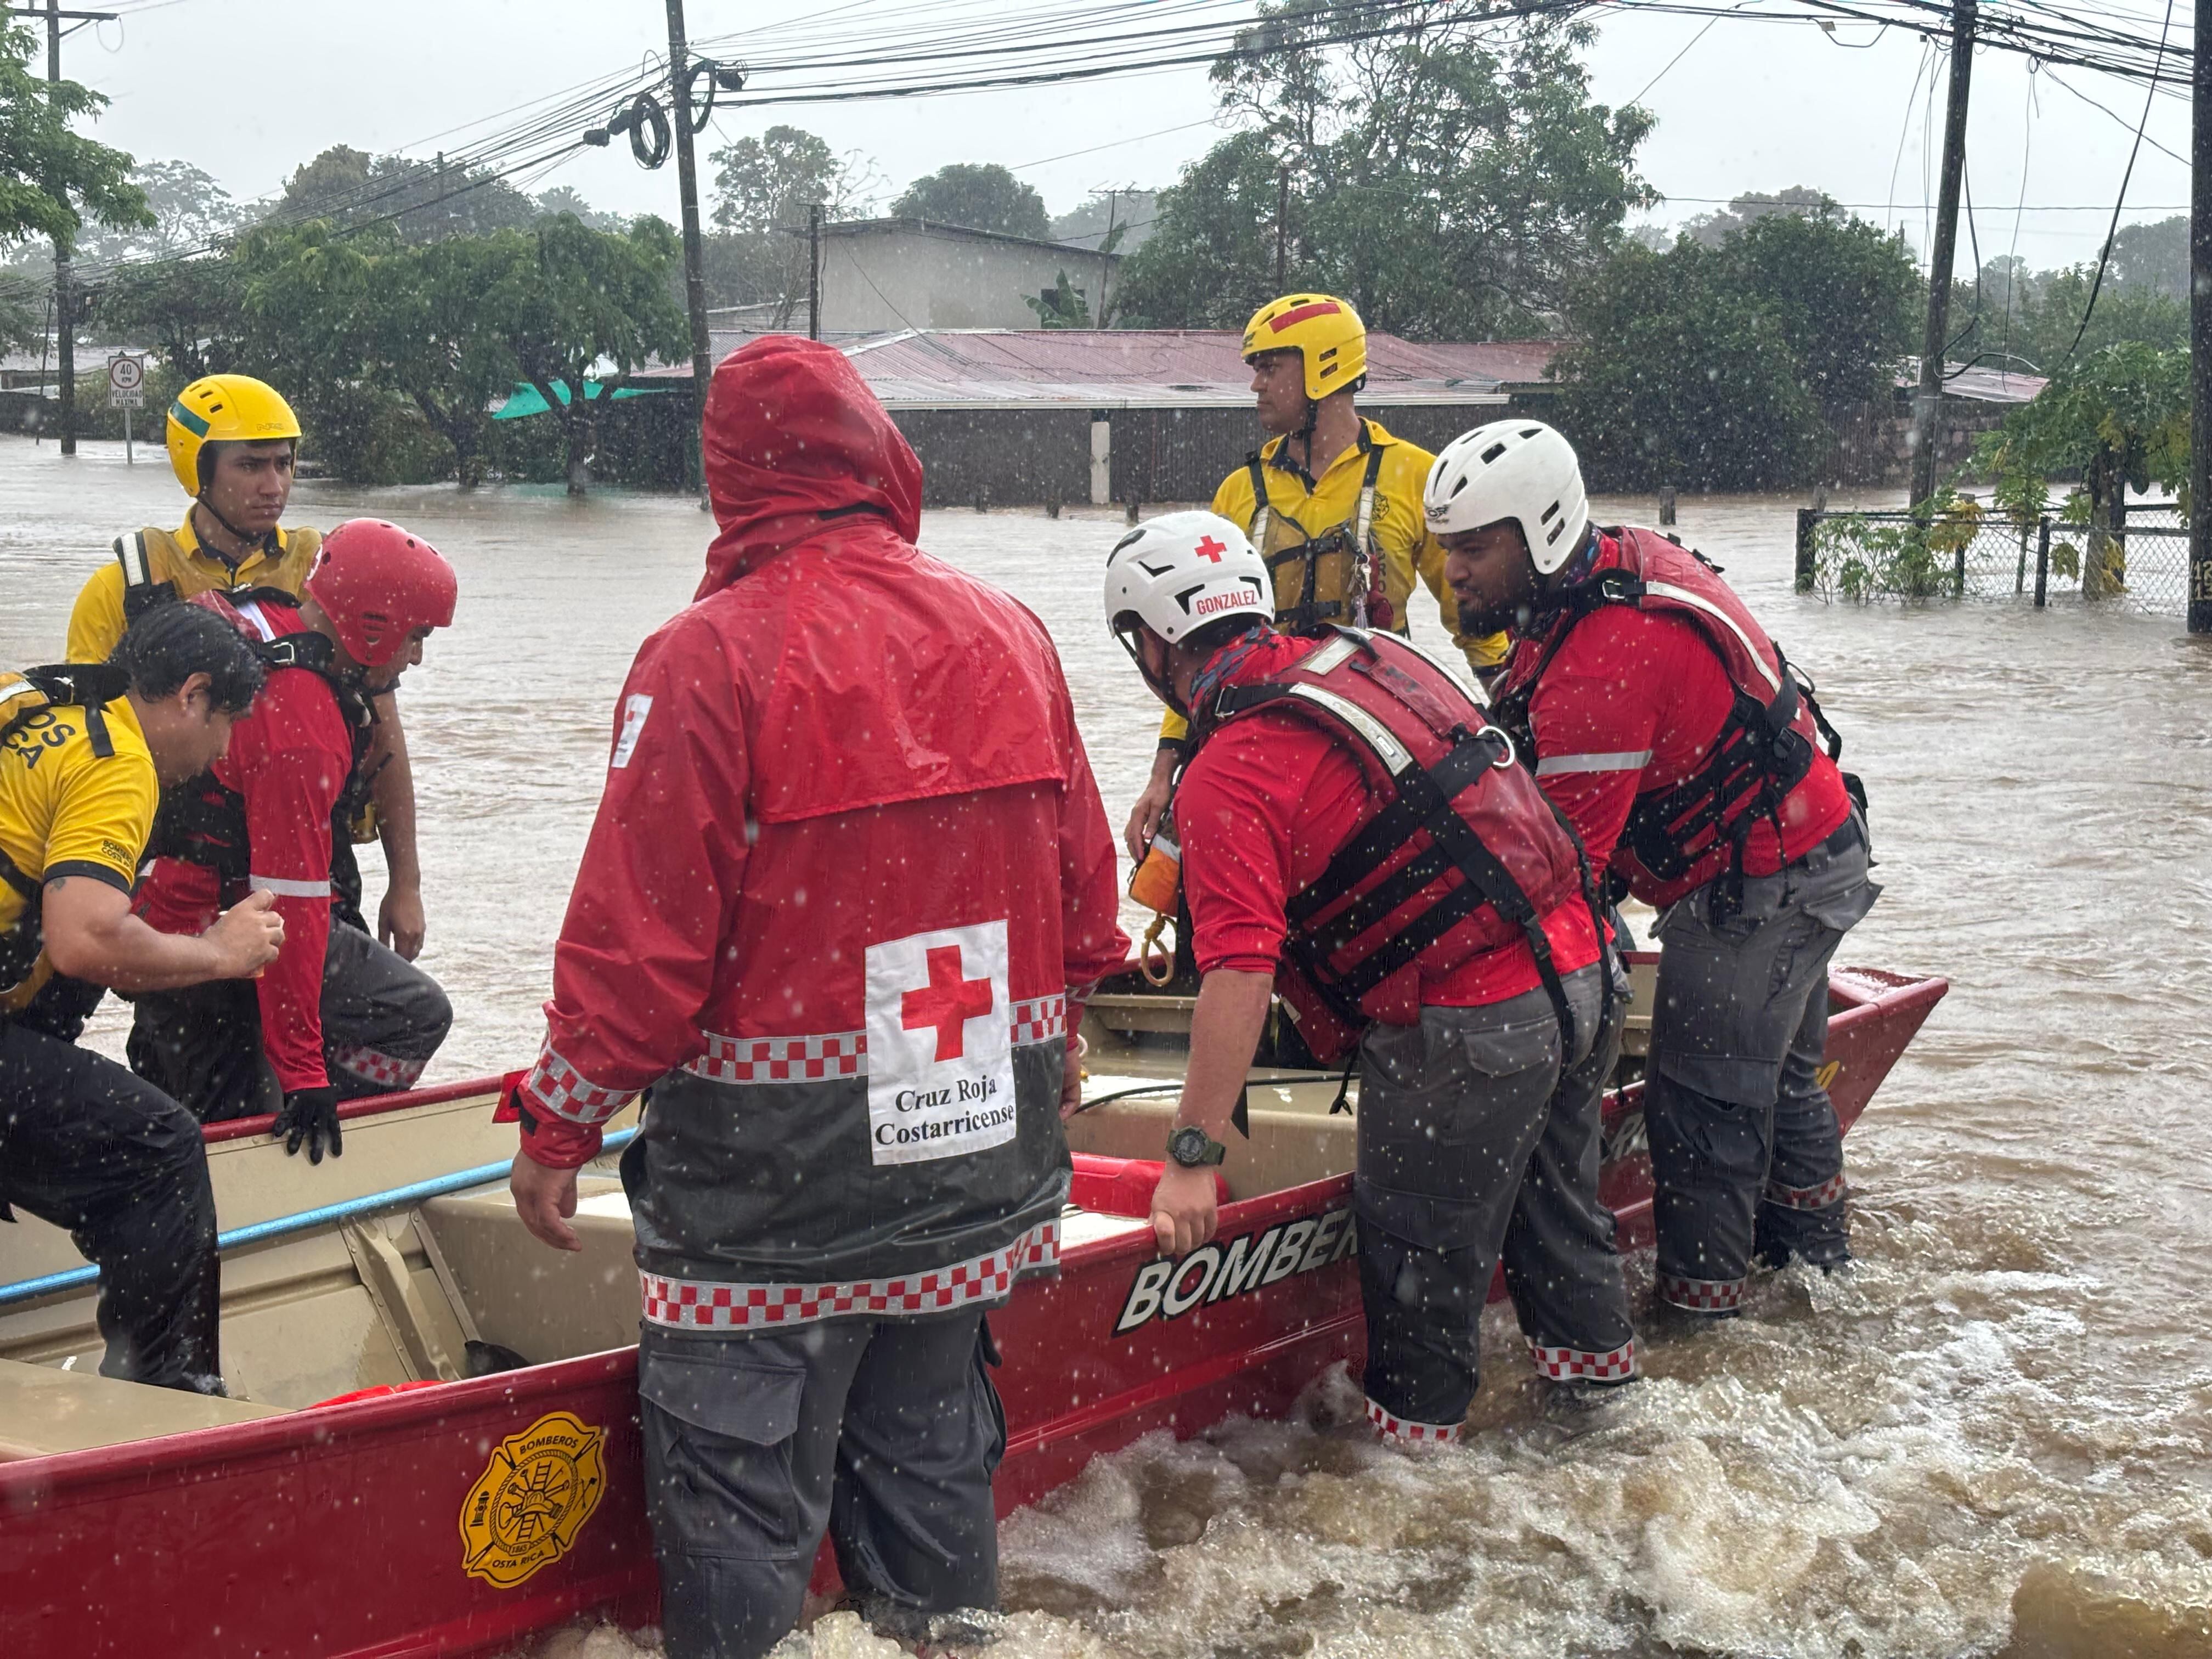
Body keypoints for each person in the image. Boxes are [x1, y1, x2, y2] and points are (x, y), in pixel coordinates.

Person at [506, 336, 1127, 1659]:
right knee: (932, 1475)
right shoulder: (1009, 629)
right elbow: (1086, 907)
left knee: (738, 1509)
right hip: (970, 1160)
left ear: (729, 482)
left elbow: (640, 953)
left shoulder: (706, 657)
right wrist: (1060, 1037)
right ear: (879, 454)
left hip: (775, 1202)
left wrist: (558, 1126)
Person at [1108, 510, 1638, 1443]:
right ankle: (1604, 1427)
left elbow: (1238, 971)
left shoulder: (1228, 771)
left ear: (1151, 643)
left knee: (1416, 1277)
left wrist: (1192, 1158)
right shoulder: (1370, 655)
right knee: (1561, 1223)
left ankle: (1418, 1491)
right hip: (1587, 969)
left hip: (1473, 1027)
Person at [1427, 420, 1879, 1318]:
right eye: (1446, 549)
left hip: (1759, 882)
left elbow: (1561, 884)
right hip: (1810, 847)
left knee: (1699, 1108)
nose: (1452, 573)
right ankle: (1817, 1283)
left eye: (1474, 549)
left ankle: (1701, 1318)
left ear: (1539, 533)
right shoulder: (1603, 573)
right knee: (1779, 1081)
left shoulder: (1600, 659)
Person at [0, 605, 285, 1393]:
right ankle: (165, 1402)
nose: (224, 750)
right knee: (159, 1150)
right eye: (226, 722)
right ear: (191, 696)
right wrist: (220, 953)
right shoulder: (118, 760)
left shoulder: (32, 702)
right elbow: (85, 940)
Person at [1122, 292, 1510, 859]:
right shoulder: (1238, 495)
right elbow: (1193, 655)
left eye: (1270, 367)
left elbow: (1475, 623)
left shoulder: (1414, 477)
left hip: (1375, 748)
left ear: (1325, 365)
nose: (1256, 385)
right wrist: (1163, 775)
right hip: (1250, 745)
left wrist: (1516, 724)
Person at [65, 374, 432, 960]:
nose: (275, 485)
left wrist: (406, 883)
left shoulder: (325, 568)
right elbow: (83, 747)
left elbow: (381, 719)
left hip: (312, 851)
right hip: (180, 864)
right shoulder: (129, 586)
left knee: (338, 1020)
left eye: (284, 464)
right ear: (201, 468)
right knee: (194, 1039)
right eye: (251, 466)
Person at [126, 522, 458, 1163]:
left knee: (188, 1102)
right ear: (373, 626)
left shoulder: (268, 619)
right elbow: (291, 911)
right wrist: (306, 1073)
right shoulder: (303, 728)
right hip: (208, 945)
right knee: (415, 1016)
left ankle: (258, 1095)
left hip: (165, 918)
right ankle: (309, 1136)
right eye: (416, 637)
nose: (416, 657)